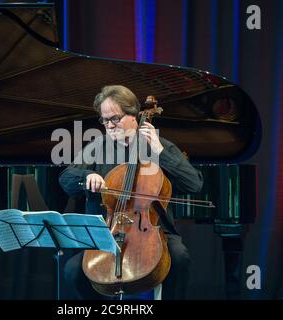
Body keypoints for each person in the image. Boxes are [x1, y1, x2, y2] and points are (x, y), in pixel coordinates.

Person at [59, 85, 203, 300]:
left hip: (154, 233)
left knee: (179, 258)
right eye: (104, 120)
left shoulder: (158, 146)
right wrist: (86, 176)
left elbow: (194, 184)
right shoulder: (97, 147)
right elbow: (66, 178)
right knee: (73, 270)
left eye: (115, 118)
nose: (109, 125)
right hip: (107, 233)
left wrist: (160, 153)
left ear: (134, 116)